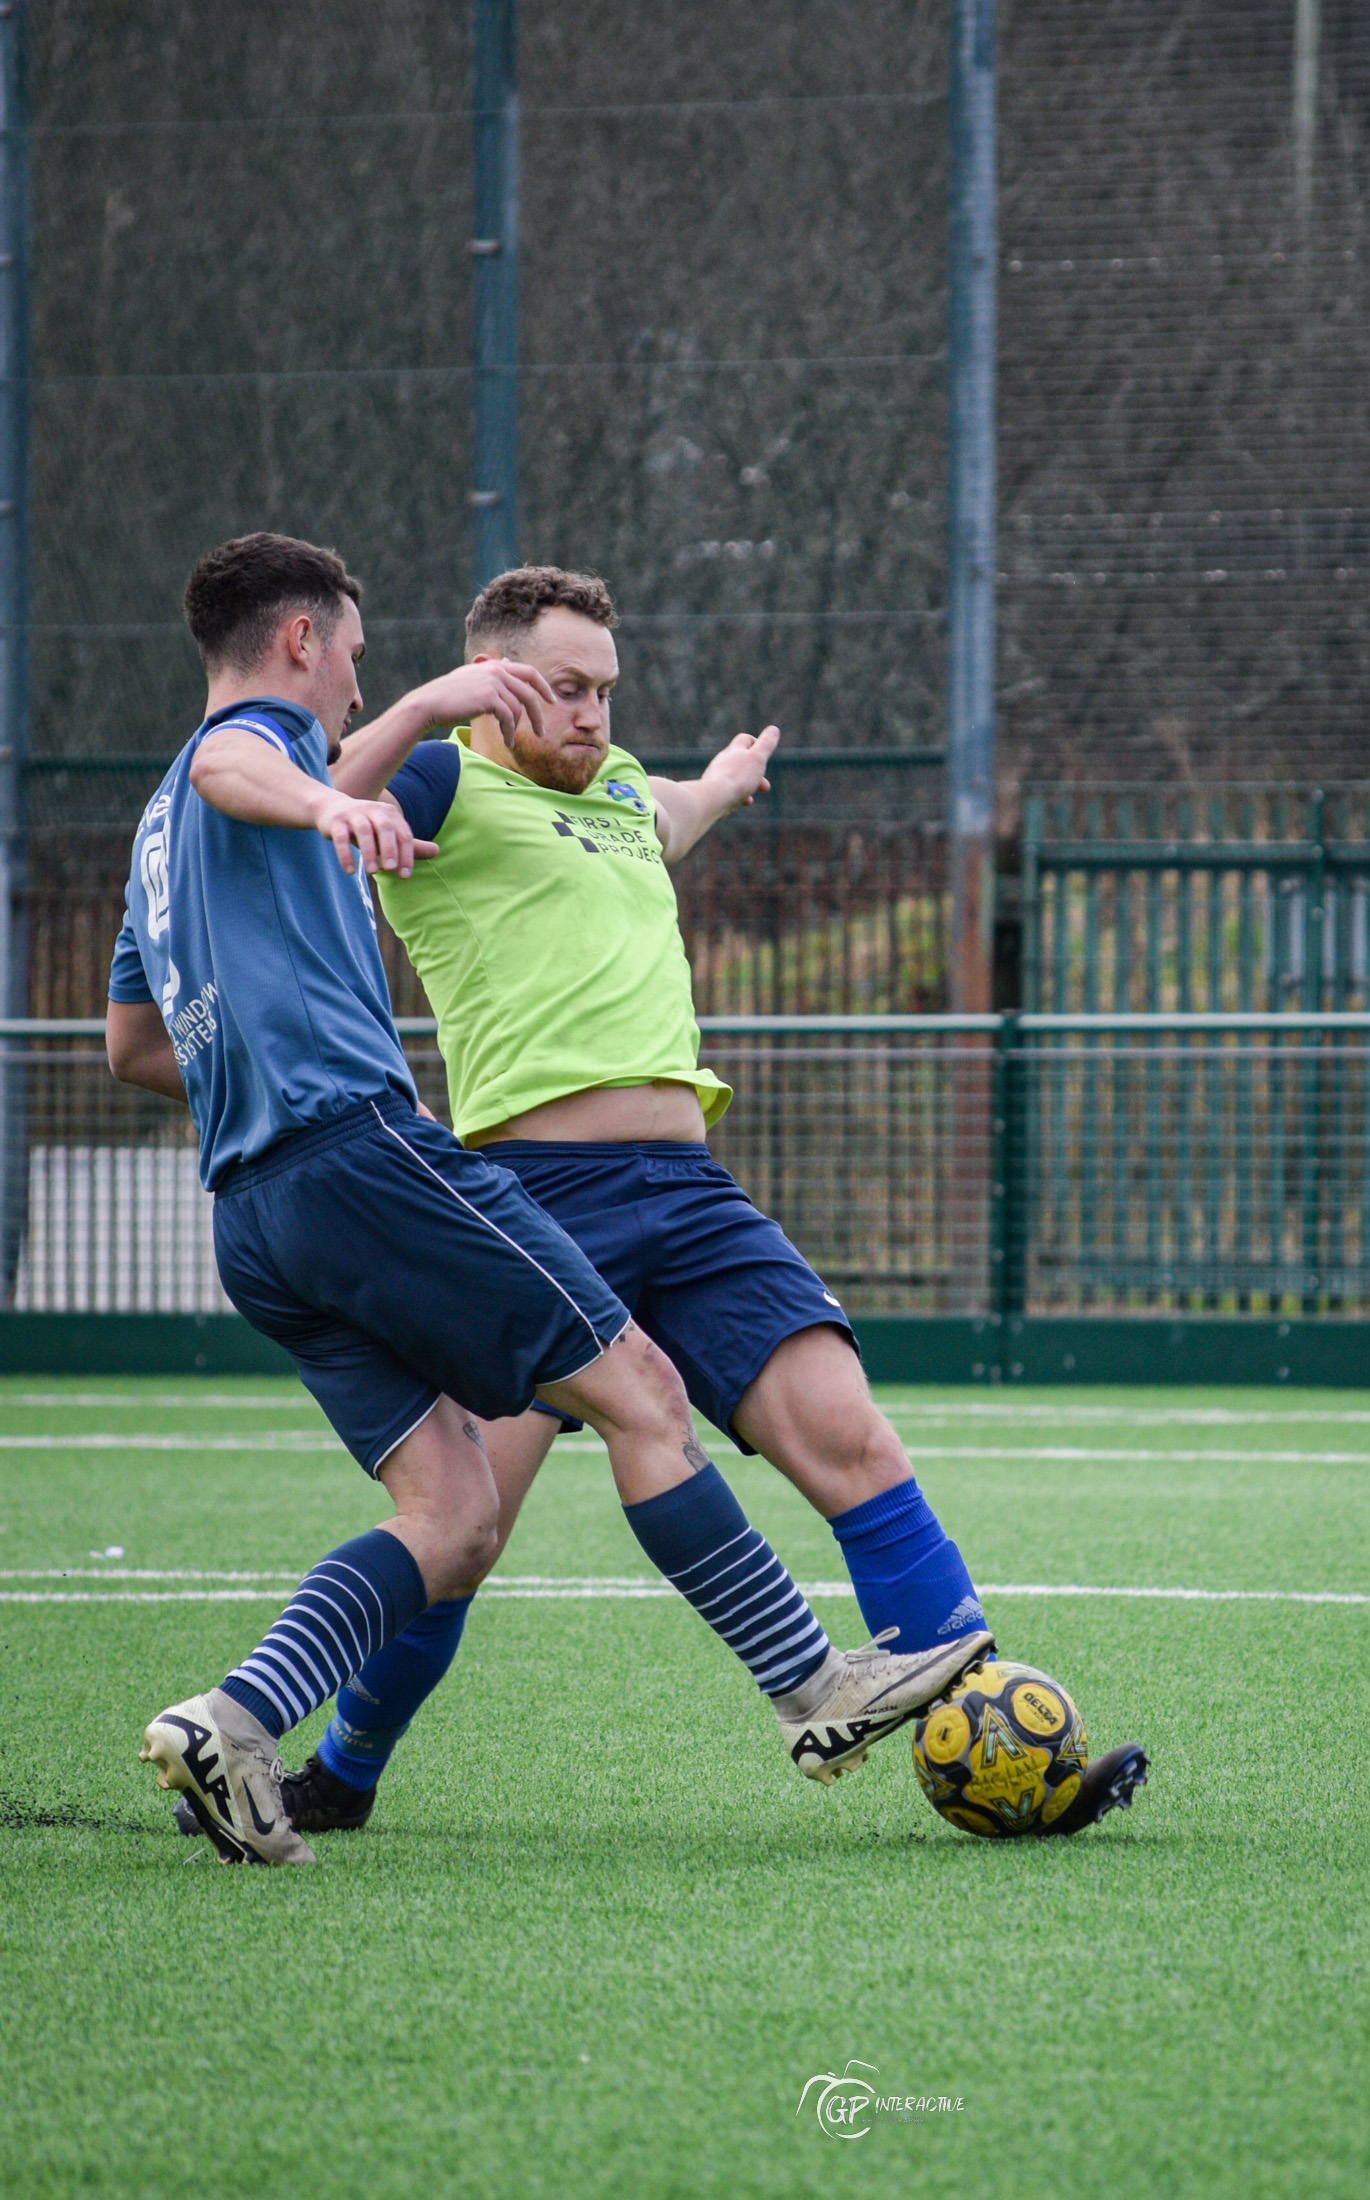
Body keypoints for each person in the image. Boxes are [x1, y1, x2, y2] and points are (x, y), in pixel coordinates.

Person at [109, 533, 992, 1864]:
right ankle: (814, 1691)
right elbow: (239, 759)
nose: (361, 676)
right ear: (302, 640)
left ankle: (233, 1721)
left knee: (453, 1519)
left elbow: (131, 1046)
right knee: (638, 1391)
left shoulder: (156, 845)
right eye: (354, 650)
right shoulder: (273, 760)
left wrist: (723, 784)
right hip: (377, 1158)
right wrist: (368, 766)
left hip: (259, 1202)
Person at [286, 561, 1146, 1840]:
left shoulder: (623, 788)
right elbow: (313, 800)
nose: (592, 713)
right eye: (563, 688)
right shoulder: (443, 780)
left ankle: (1006, 1744)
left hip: (690, 1197)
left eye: (606, 691)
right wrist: (425, 707)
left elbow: (666, 813)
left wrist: (723, 788)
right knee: (463, 1529)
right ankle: (342, 1770)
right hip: (530, 1206)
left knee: (855, 1444)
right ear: (494, 684)